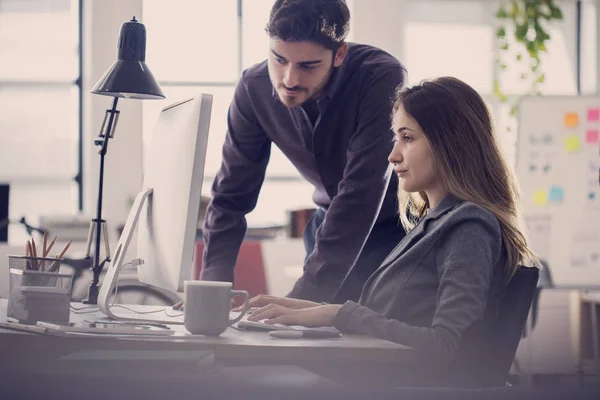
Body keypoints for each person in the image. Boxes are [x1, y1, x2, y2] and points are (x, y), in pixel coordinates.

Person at [246, 77, 539, 381]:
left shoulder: (469, 226)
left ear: (449, 142)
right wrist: (296, 309)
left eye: (407, 138)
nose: (393, 155)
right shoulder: (433, 221)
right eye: (395, 138)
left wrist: (335, 314)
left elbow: (446, 346)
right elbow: (380, 318)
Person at [201, 0, 407, 303]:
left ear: (339, 54)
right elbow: (230, 197)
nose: (289, 80)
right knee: (307, 337)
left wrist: (300, 299)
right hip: (326, 226)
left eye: (308, 66)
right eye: (279, 59)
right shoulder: (253, 89)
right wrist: (211, 291)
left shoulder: (380, 77)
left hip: (395, 230)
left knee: (355, 339)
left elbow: (361, 192)